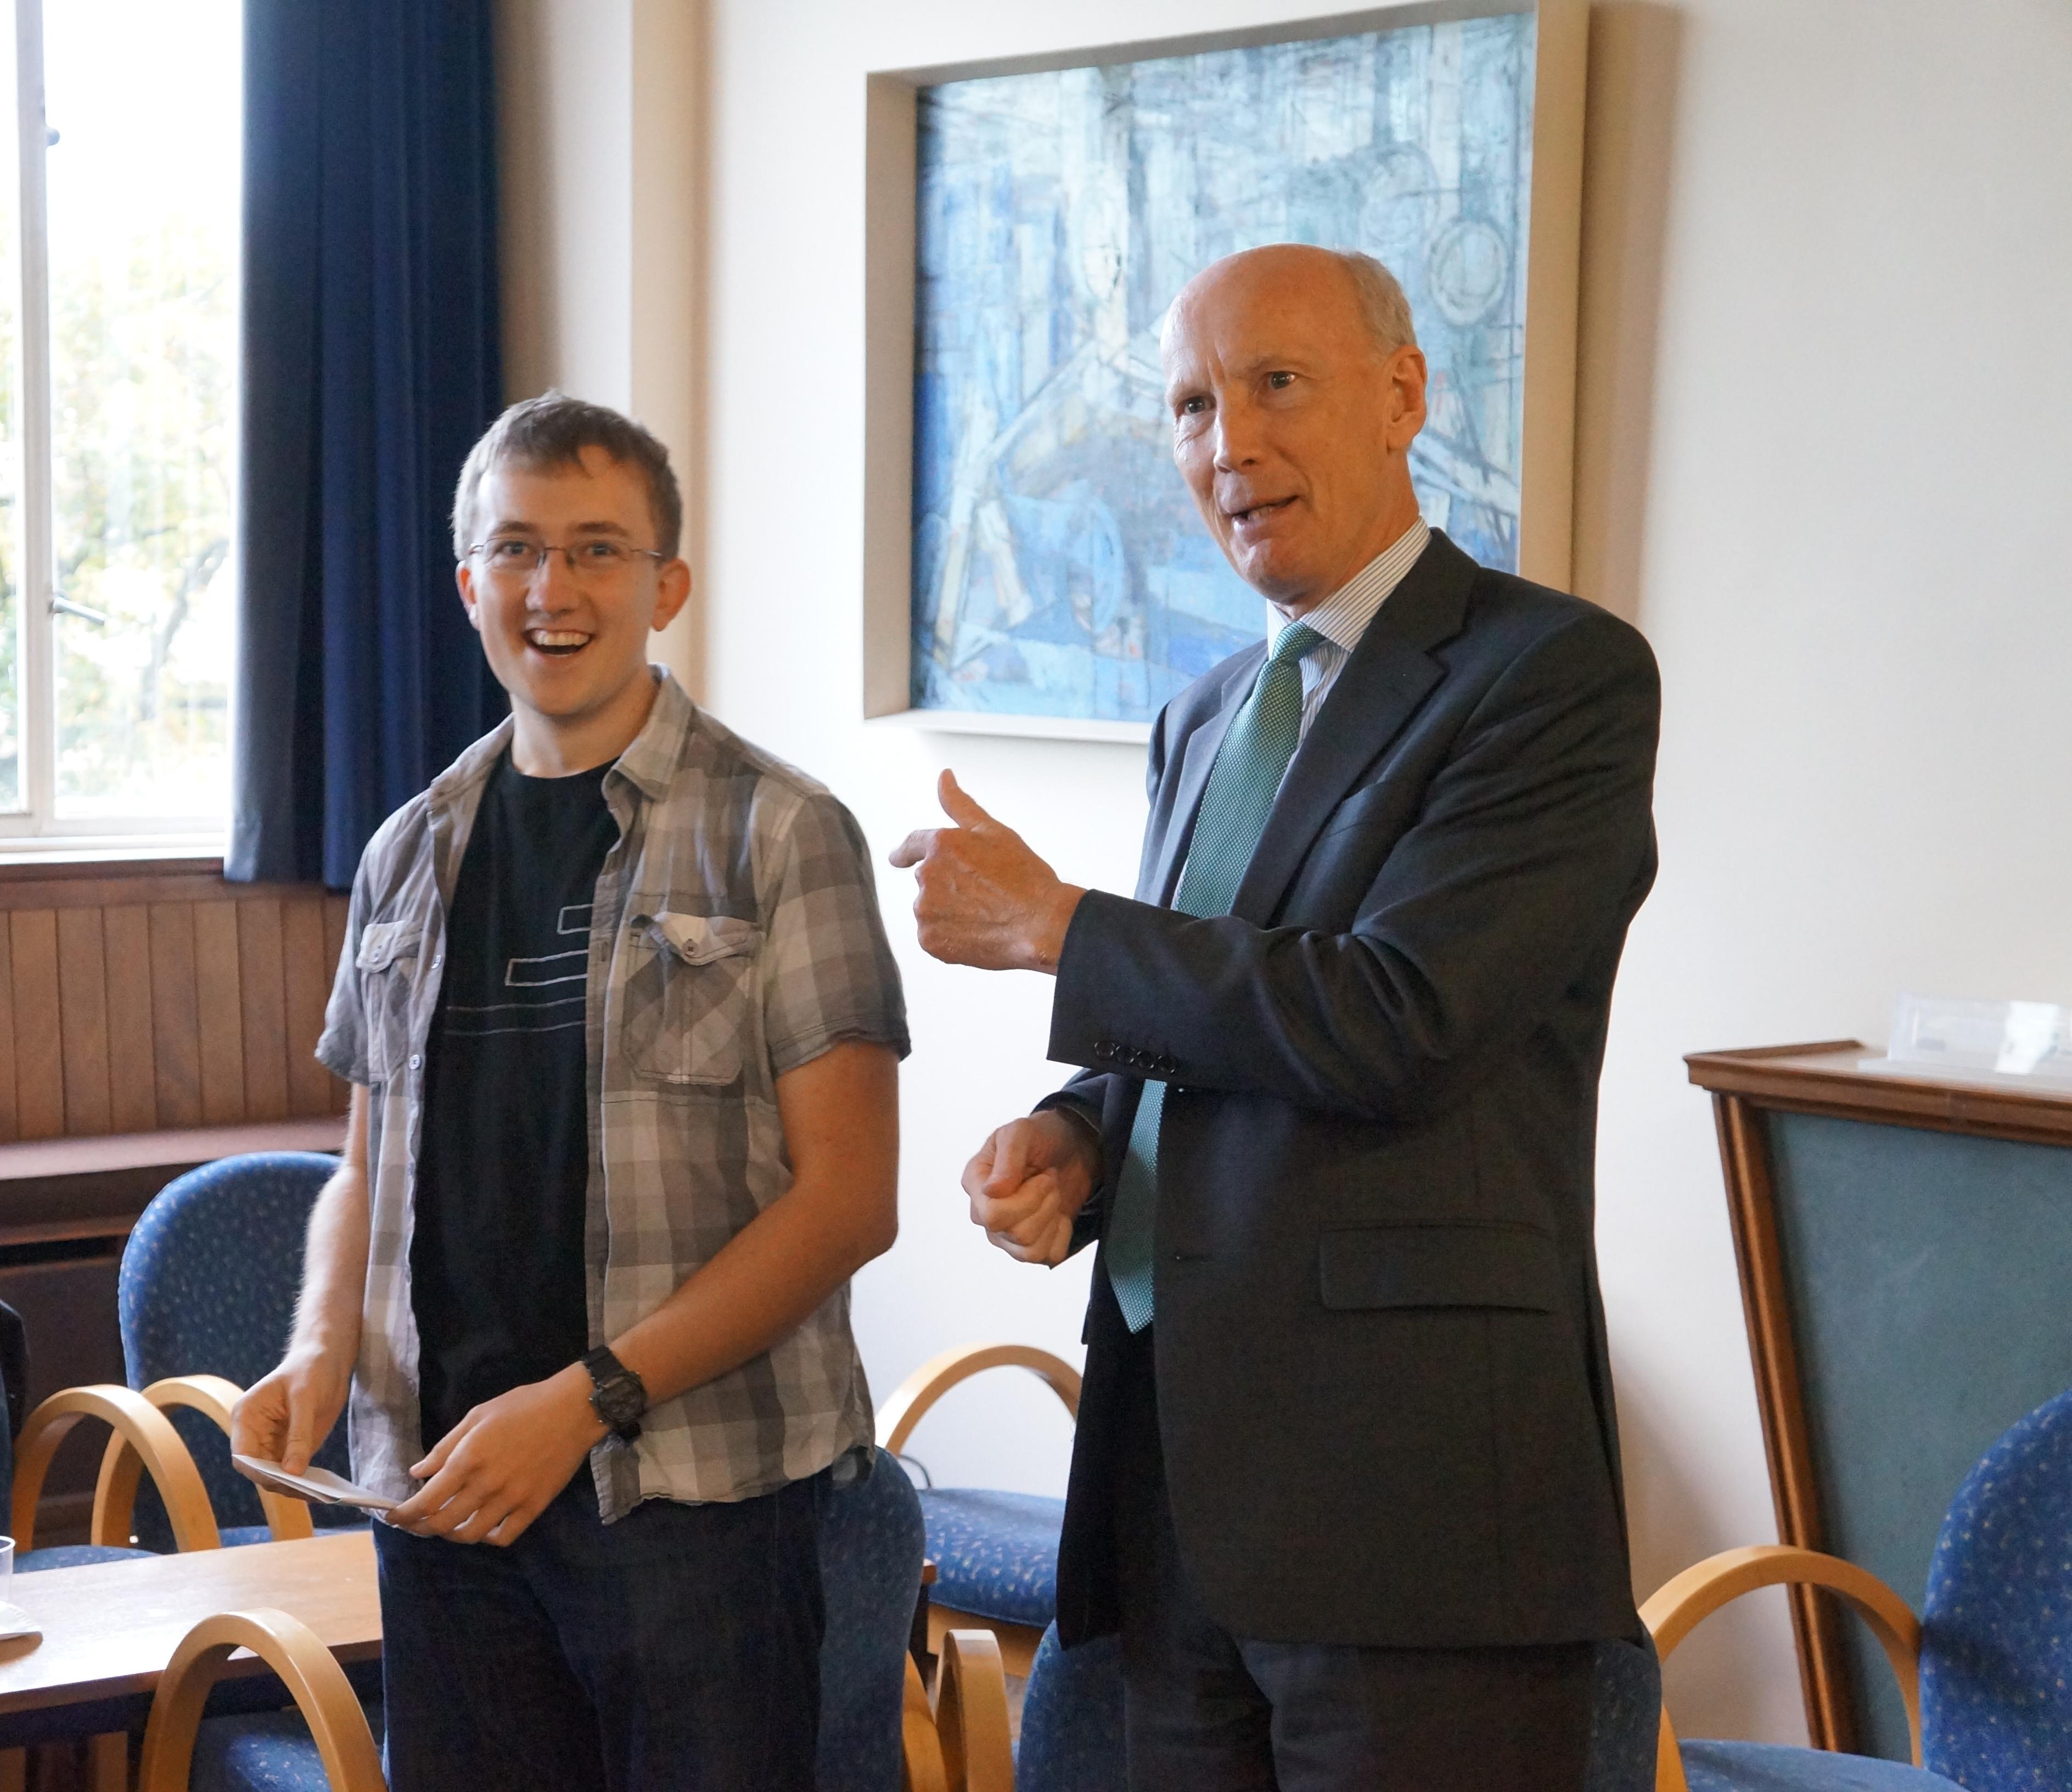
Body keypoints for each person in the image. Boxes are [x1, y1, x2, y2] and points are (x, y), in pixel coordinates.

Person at [889, 244, 1660, 1789]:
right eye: (1189, 407)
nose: (1227, 445)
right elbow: (1205, 1032)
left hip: (1413, 1521)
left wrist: (1059, 929)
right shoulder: (1201, 716)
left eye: (1276, 386)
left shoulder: (1553, 674)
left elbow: (1400, 1016)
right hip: (1175, 1496)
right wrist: (1079, 1140)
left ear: (1402, 396)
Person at [232, 393, 908, 1791]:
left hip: (695, 1506)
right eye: (518, 550)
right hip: (442, 1501)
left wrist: (586, 1398)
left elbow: (848, 1201)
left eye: (598, 551)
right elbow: (363, 1166)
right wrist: (316, 1351)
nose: (554, 590)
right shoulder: (407, 849)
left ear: (665, 585)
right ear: (468, 582)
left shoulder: (783, 834)